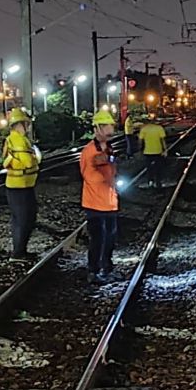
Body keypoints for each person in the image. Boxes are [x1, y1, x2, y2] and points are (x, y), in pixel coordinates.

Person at [80, 109, 119, 284]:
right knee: (97, 239)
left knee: (110, 237)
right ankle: (93, 271)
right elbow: (94, 167)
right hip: (94, 203)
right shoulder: (89, 151)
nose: (109, 130)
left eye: (110, 125)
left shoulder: (109, 147)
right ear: (97, 129)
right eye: (105, 126)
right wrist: (107, 159)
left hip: (110, 202)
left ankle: (107, 266)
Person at [2, 108, 42, 261]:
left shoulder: (12, 138)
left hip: (19, 185)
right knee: (24, 220)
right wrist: (36, 157)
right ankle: (18, 253)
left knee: (22, 219)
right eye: (26, 124)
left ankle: (20, 251)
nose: (28, 127)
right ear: (20, 124)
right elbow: (27, 162)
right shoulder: (18, 140)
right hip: (20, 186)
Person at [139, 116, 167, 188]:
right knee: (158, 167)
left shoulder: (144, 129)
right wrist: (165, 150)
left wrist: (140, 149)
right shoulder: (159, 128)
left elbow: (140, 141)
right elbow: (163, 140)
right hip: (158, 151)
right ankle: (158, 181)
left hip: (147, 152)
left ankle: (150, 181)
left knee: (149, 167)